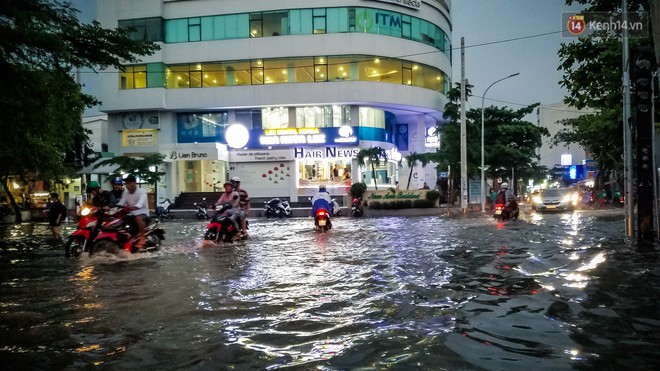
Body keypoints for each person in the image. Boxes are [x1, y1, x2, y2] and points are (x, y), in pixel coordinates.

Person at [116, 175, 149, 249]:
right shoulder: (125, 193)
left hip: (142, 212)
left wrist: (134, 207)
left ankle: (142, 237)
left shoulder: (142, 192)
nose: (127, 185)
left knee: (137, 217)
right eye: (126, 183)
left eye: (129, 183)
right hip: (130, 213)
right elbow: (121, 202)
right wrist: (114, 207)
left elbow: (140, 204)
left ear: (134, 183)